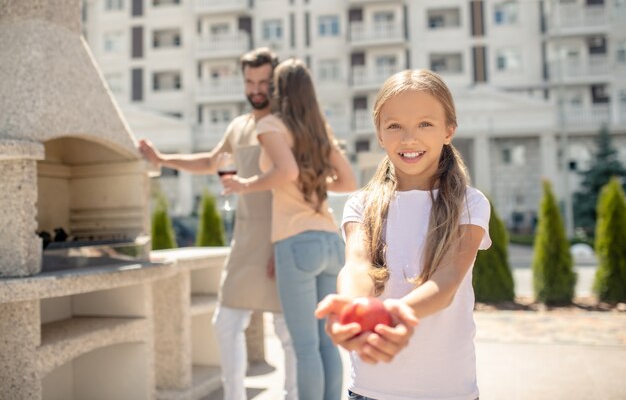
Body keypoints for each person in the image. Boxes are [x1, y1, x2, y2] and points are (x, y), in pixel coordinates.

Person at [315, 69, 492, 400]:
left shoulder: (470, 203)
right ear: (380, 134)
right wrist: (351, 310)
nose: (409, 138)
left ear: (449, 130)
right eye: (394, 125)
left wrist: (389, 315)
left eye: (425, 124)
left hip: (448, 391)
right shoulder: (361, 204)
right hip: (369, 390)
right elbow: (357, 267)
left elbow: (447, 280)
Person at [138, 48, 297, 400]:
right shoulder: (238, 126)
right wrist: (163, 159)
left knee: (287, 330)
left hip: (281, 234)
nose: (256, 89)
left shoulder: (287, 125)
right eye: (250, 81)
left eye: (263, 82)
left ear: (275, 83)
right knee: (226, 323)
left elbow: (294, 184)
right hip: (244, 239)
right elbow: (212, 161)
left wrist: (283, 244)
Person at [221, 58, 357, 400]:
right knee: (327, 344)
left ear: (278, 90)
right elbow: (349, 181)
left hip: (296, 242)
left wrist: (245, 185)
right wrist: (315, 177)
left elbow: (286, 172)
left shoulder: (270, 126)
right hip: (329, 240)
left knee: (305, 347)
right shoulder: (317, 130)